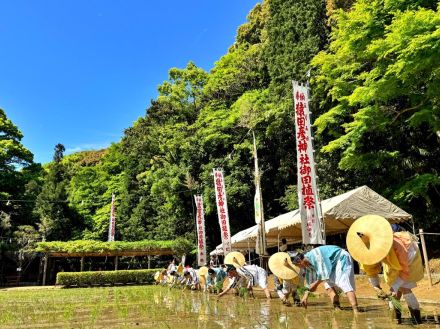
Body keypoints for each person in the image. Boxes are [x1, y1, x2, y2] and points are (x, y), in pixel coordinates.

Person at [360, 224, 424, 324]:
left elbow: (404, 270)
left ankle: (416, 319)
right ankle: (396, 318)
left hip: (408, 259)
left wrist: (394, 287)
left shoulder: (400, 246)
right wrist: (376, 287)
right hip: (392, 260)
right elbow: (370, 269)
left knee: (404, 288)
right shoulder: (366, 249)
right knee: (394, 289)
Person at [290, 245, 359, 314]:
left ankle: (356, 310)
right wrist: (305, 295)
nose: (300, 267)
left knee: (344, 283)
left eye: (298, 265)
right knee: (328, 286)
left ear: (299, 261)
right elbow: (310, 282)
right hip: (331, 265)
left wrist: (315, 285)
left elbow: (323, 274)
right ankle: (337, 308)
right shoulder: (307, 265)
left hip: (340, 258)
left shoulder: (315, 256)